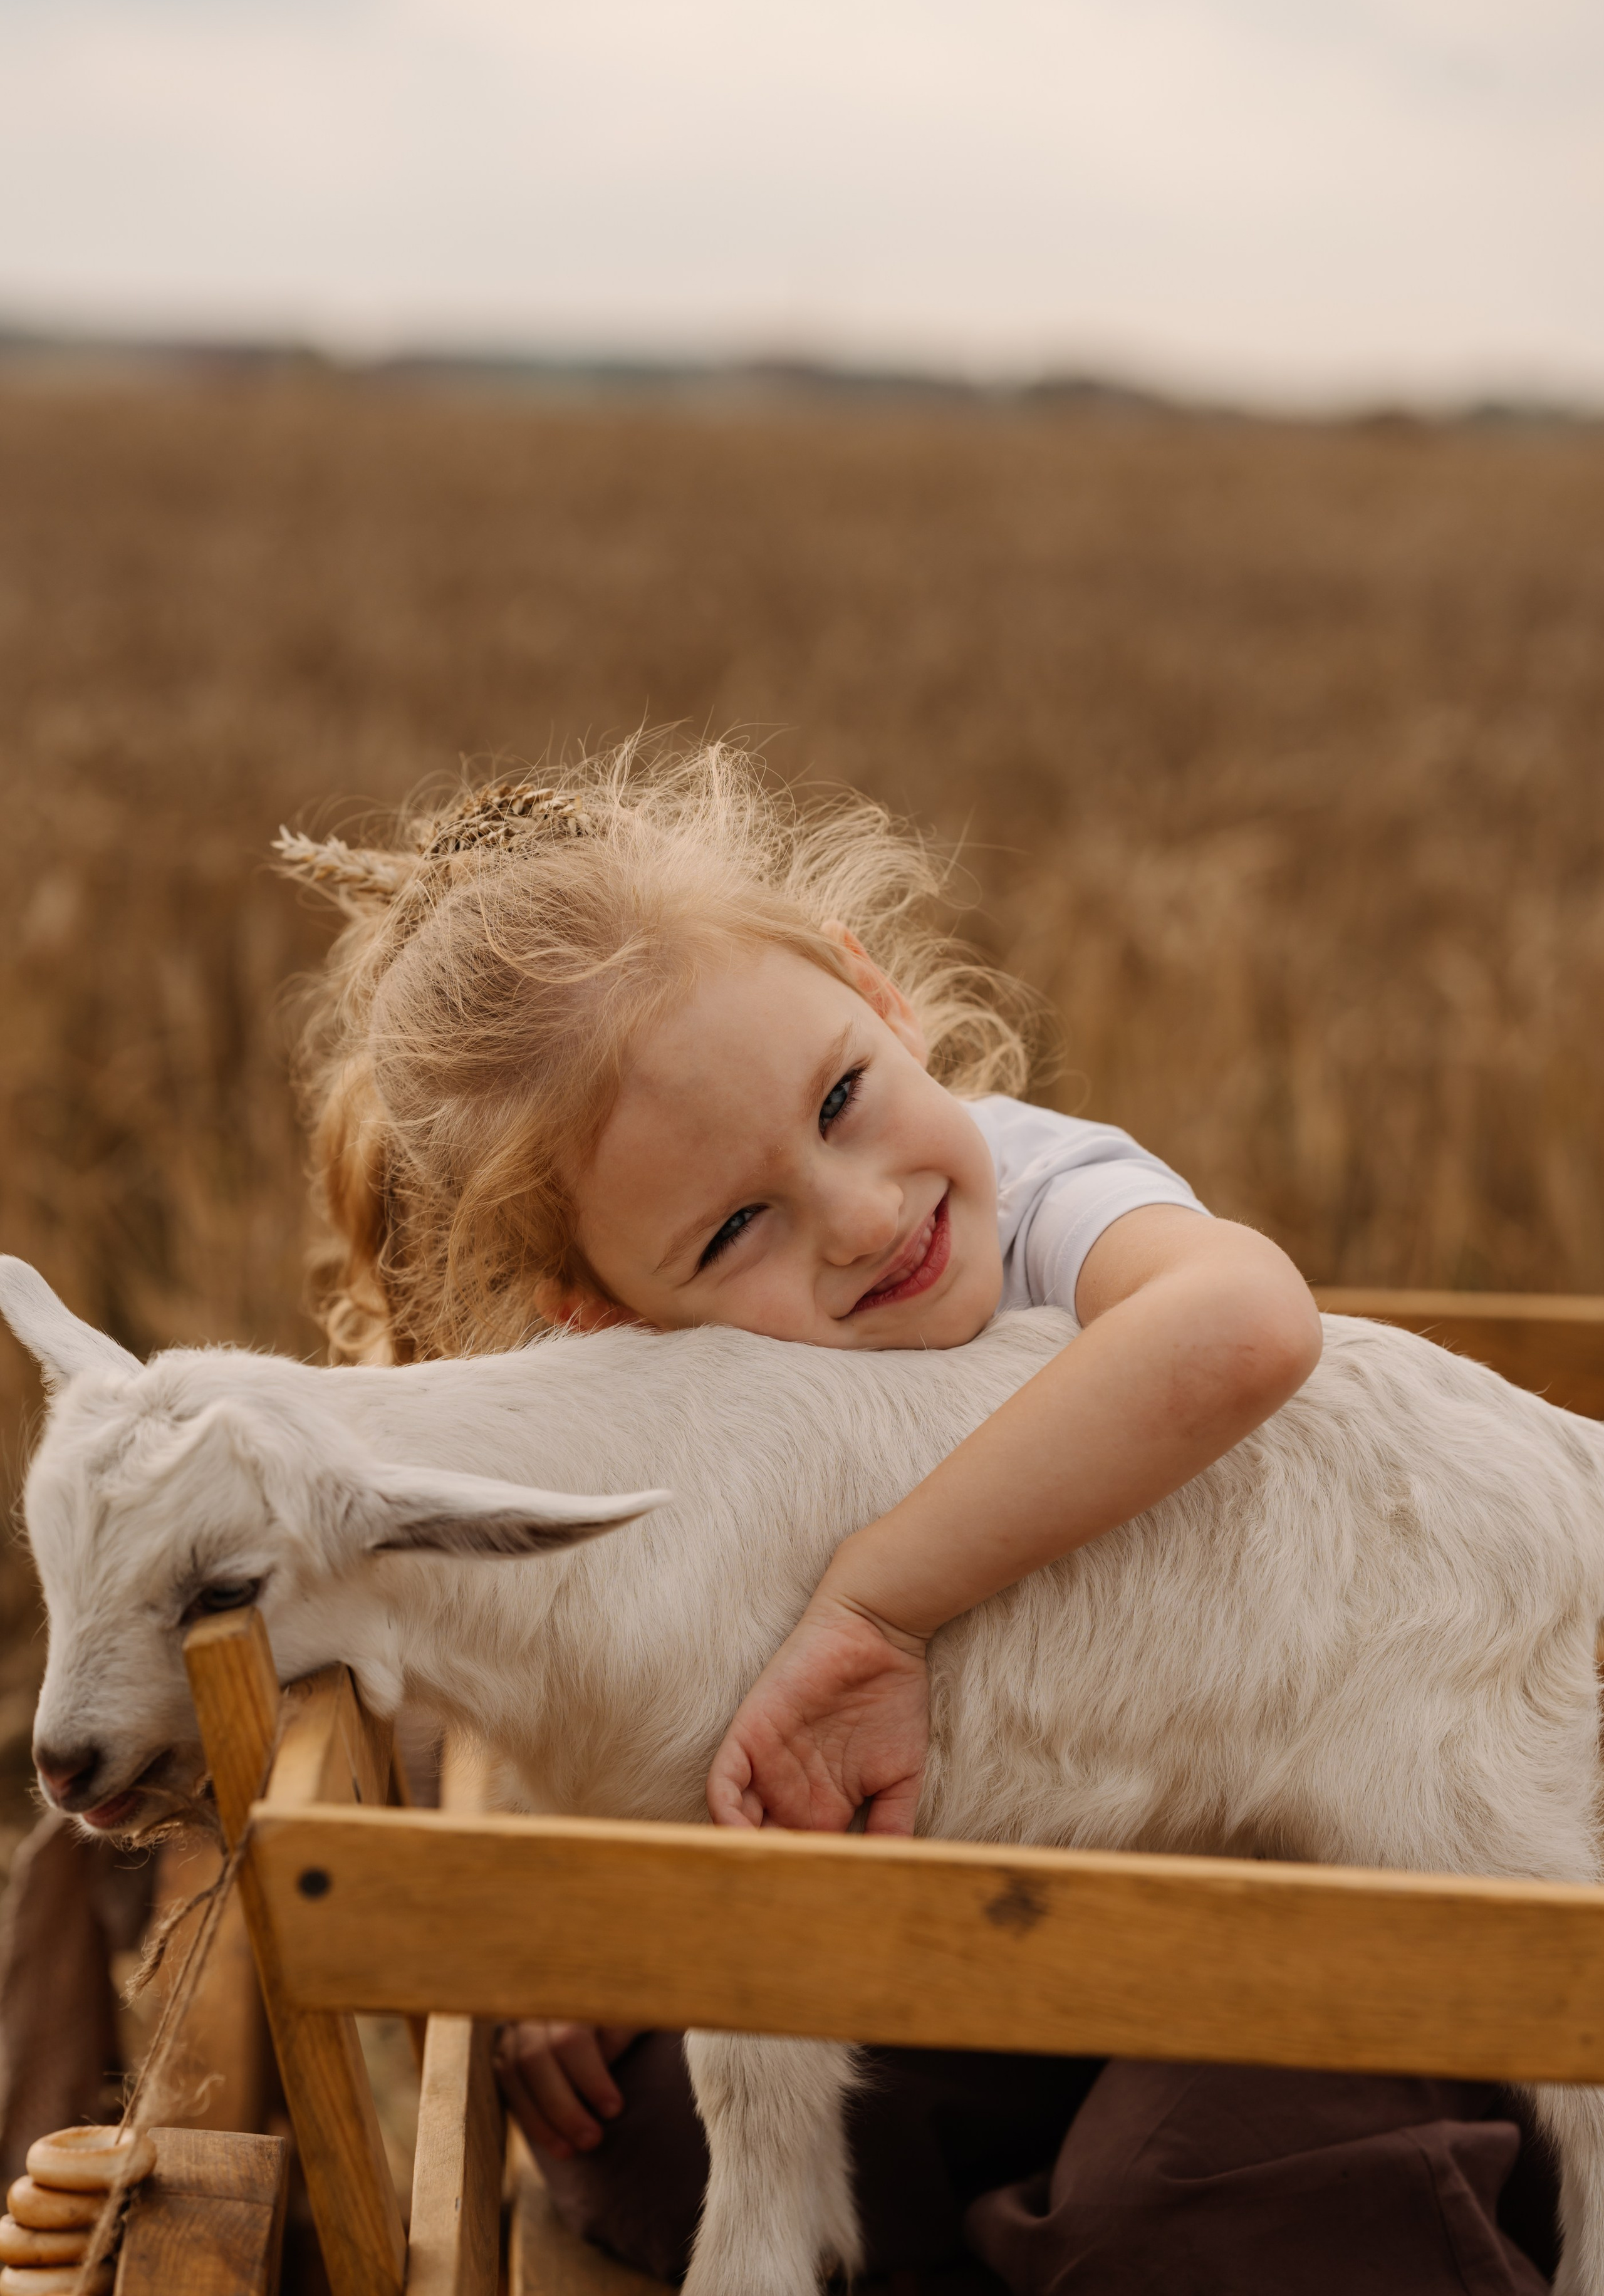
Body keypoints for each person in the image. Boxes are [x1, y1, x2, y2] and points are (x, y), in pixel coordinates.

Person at [280, 743, 1556, 2293]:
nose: (865, 1215)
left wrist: (873, 1609)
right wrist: (583, 1896)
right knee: (651, 2132)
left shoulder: (1036, 1198)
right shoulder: (677, 1408)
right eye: (737, 1226)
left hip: (1313, 1851)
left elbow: (1245, 1324)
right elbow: (612, 1666)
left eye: (841, 1096)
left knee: (1196, 2199)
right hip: (1029, 1898)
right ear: (606, 1316)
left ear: (878, 997)